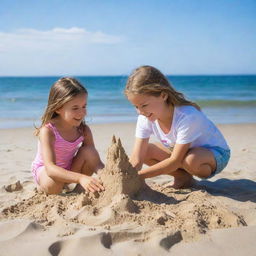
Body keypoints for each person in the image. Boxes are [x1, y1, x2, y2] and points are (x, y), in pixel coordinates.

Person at [124, 65, 230, 188]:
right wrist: (127, 175)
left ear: (163, 95)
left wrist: (138, 176)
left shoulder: (187, 116)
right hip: (181, 153)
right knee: (146, 151)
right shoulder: (144, 118)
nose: (140, 112)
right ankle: (183, 178)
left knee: (190, 161)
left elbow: (174, 161)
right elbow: (137, 159)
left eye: (144, 105)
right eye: (136, 107)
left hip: (214, 155)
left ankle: (188, 171)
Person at [31, 77, 104, 194]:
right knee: (54, 185)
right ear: (58, 108)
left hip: (69, 169)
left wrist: (105, 175)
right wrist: (81, 178)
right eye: (75, 108)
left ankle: (78, 190)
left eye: (84, 106)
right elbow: (50, 169)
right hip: (46, 172)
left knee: (89, 151)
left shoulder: (83, 130)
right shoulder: (49, 131)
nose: (82, 112)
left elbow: (95, 160)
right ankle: (41, 189)